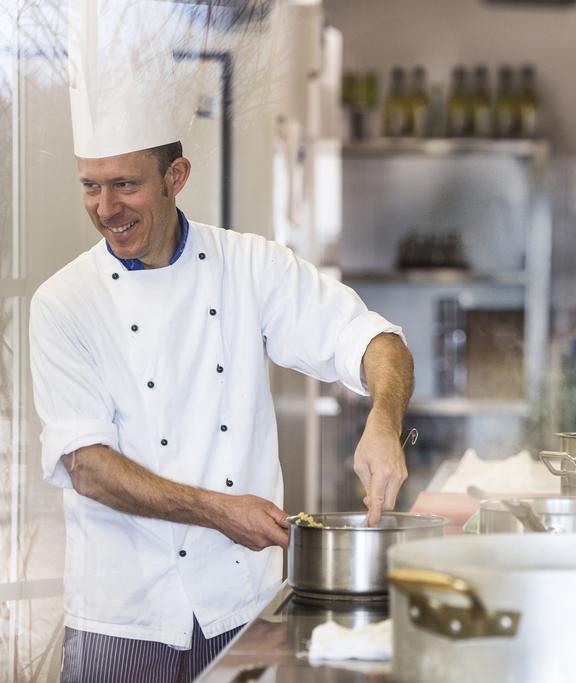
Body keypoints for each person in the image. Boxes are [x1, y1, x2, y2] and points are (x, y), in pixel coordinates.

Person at [30, 8, 413, 680]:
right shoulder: (63, 303)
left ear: (176, 176)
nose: (105, 207)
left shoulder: (250, 266)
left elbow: (372, 339)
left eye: (125, 184)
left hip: (241, 600)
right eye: (90, 185)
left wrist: (384, 417)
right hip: (123, 616)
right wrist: (217, 509)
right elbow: (86, 464)